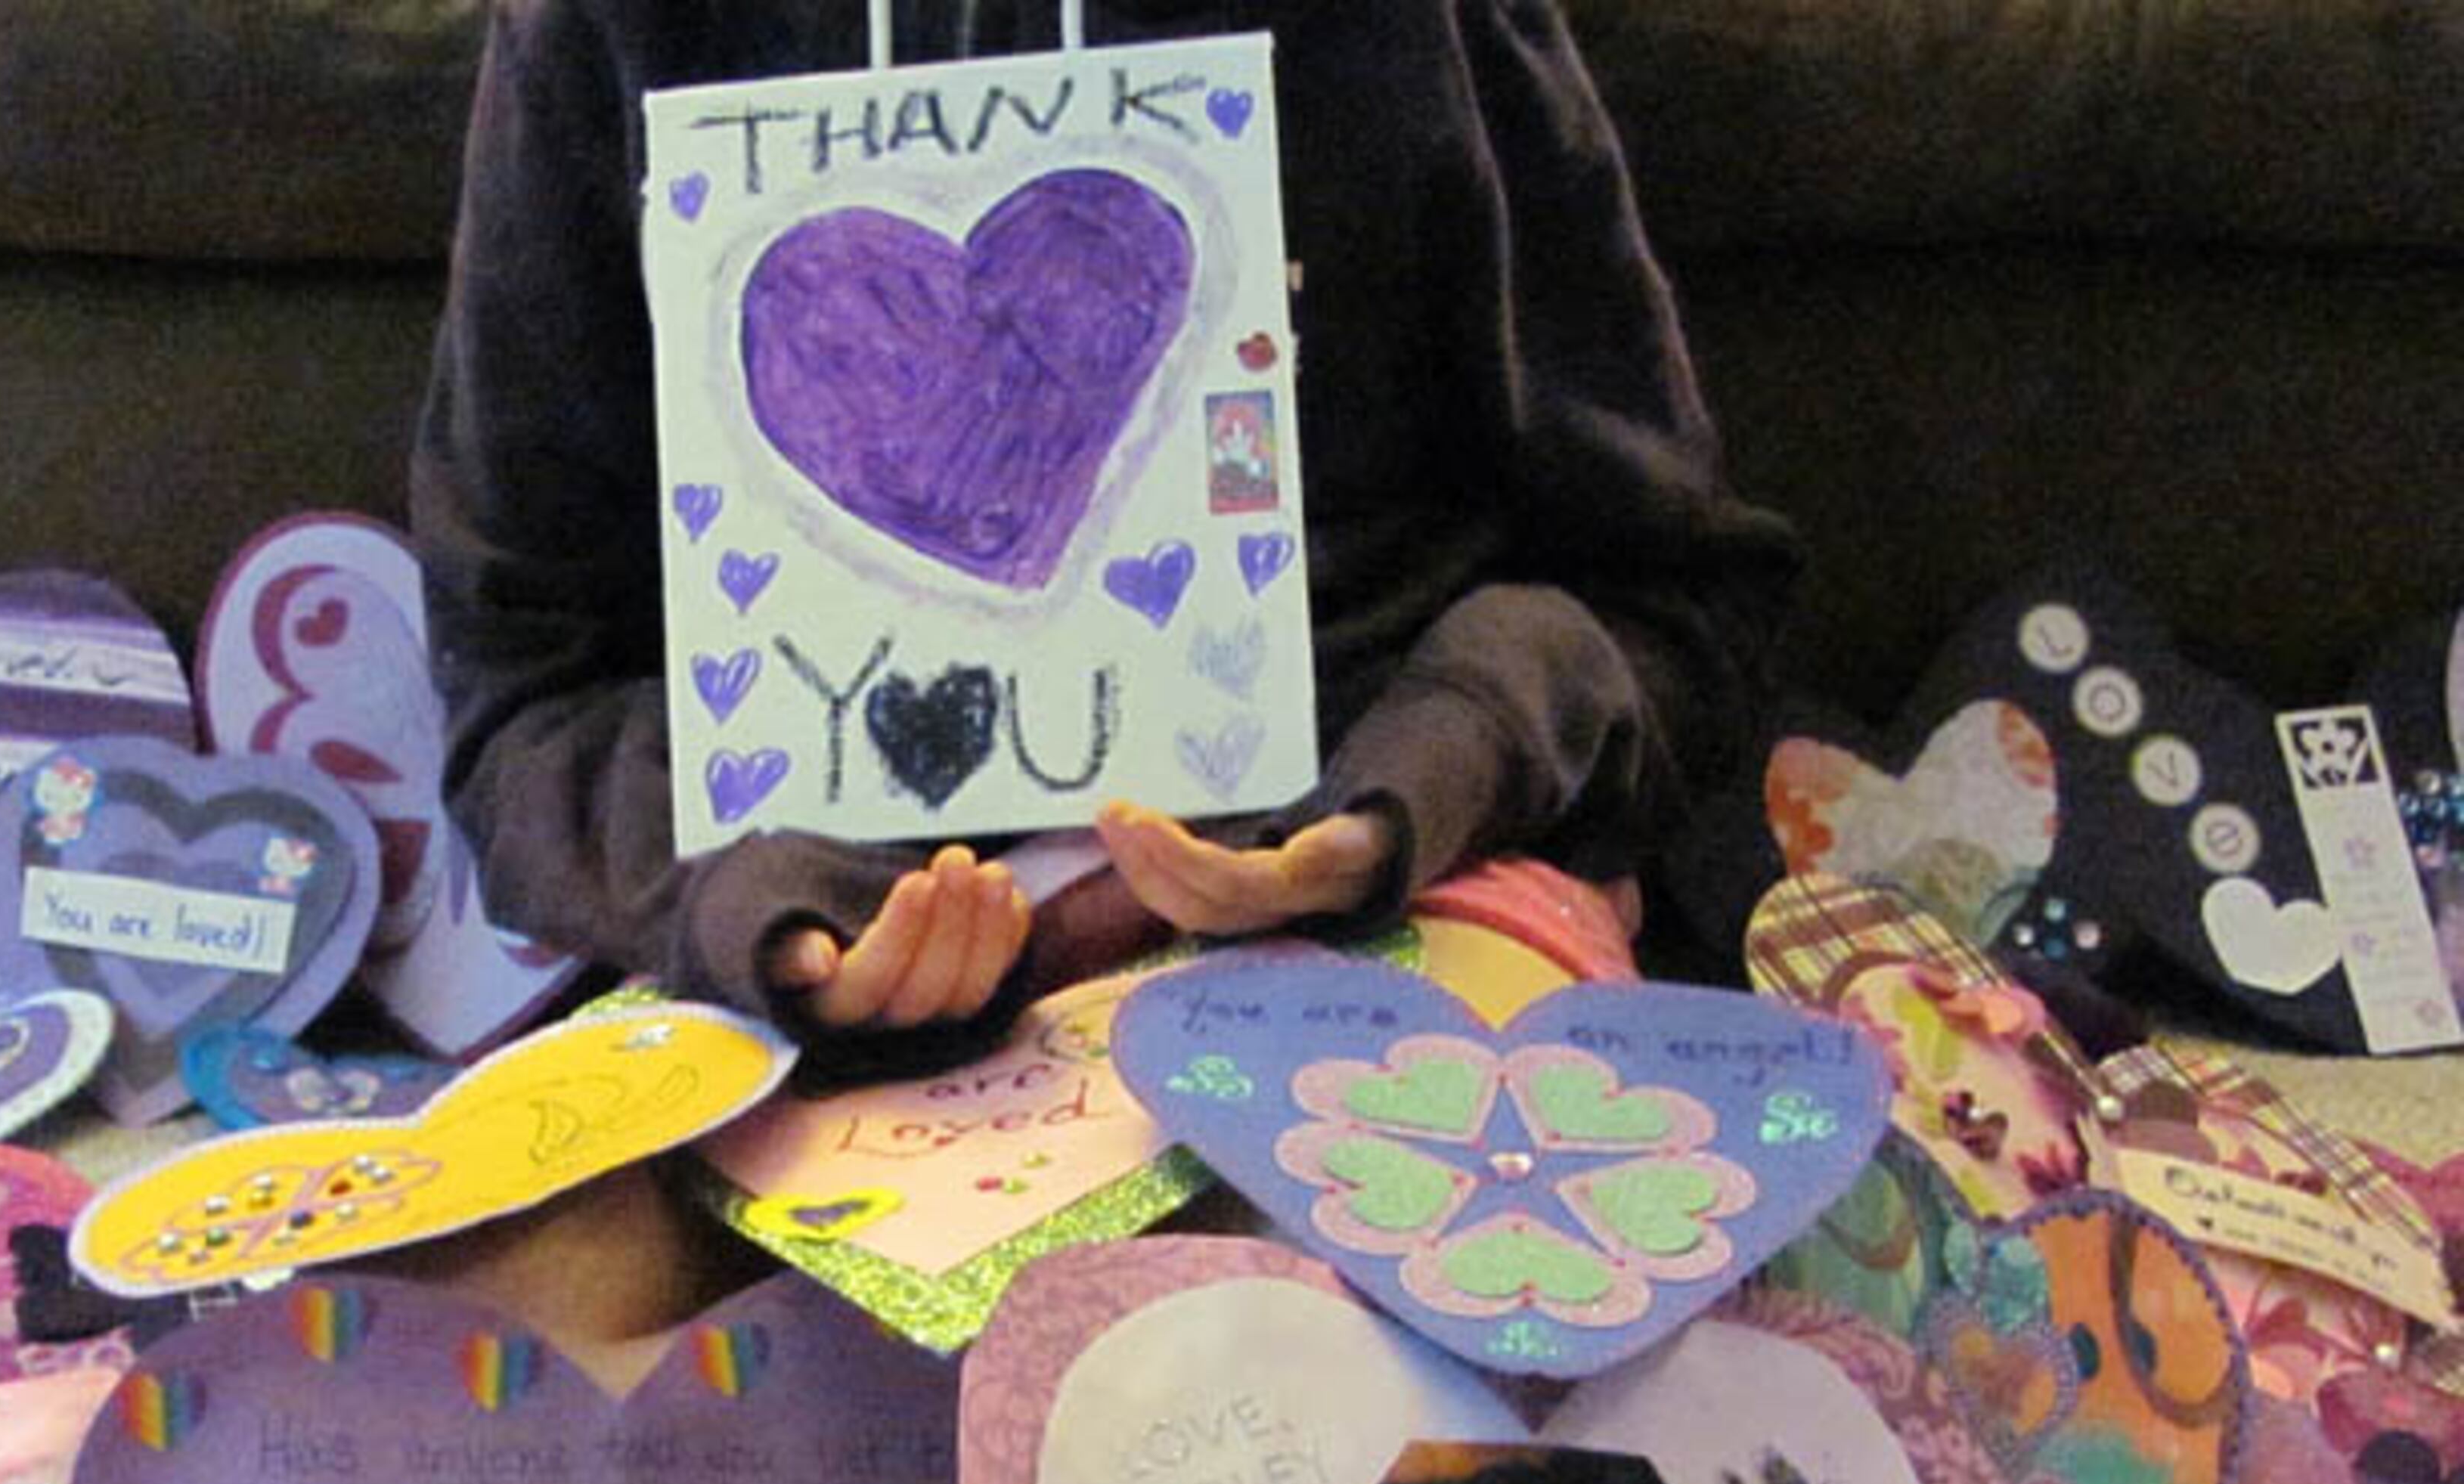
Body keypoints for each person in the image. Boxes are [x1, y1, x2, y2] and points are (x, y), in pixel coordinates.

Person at [411, 0, 1800, 1065]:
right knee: (539, 1325)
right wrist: (754, 906)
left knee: (1387, 1303)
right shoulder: (611, 31)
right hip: (798, 978)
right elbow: (523, 686)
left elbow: (1678, 599)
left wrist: (1425, 780)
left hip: (1387, 906)